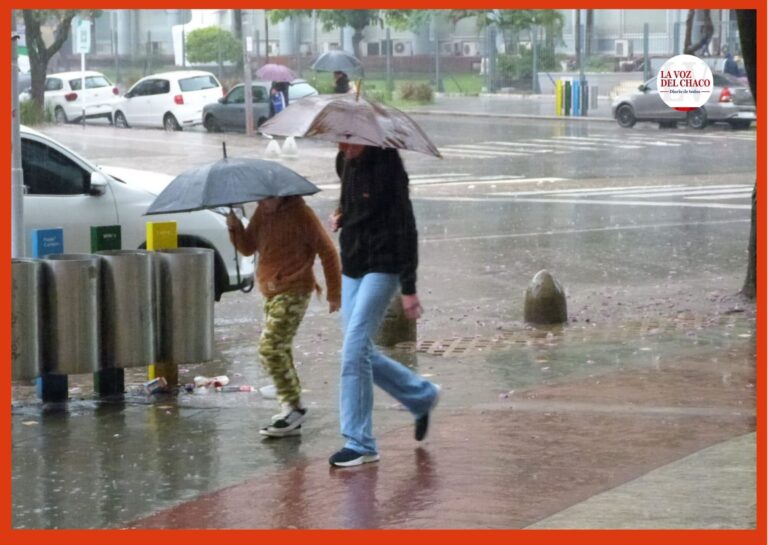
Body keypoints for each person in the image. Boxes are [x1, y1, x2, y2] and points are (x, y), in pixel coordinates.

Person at [327, 143, 440, 468]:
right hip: (353, 264)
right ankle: (422, 395)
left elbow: (406, 226)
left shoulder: (388, 166)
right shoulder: (344, 161)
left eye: (349, 140)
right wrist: (340, 217)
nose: (343, 146)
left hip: (384, 266)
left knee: (353, 352)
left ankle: (360, 442)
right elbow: (352, 206)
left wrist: (409, 288)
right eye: (340, 139)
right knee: (359, 350)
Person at [226, 196, 341, 437]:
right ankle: (289, 397)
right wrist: (234, 227)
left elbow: (328, 252)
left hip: (295, 288)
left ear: (282, 194)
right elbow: (248, 247)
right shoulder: (261, 213)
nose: (264, 203)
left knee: (270, 348)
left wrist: (334, 293)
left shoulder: (301, 214)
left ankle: (293, 407)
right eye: (260, 199)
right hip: (270, 289)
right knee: (280, 347)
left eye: (269, 198)